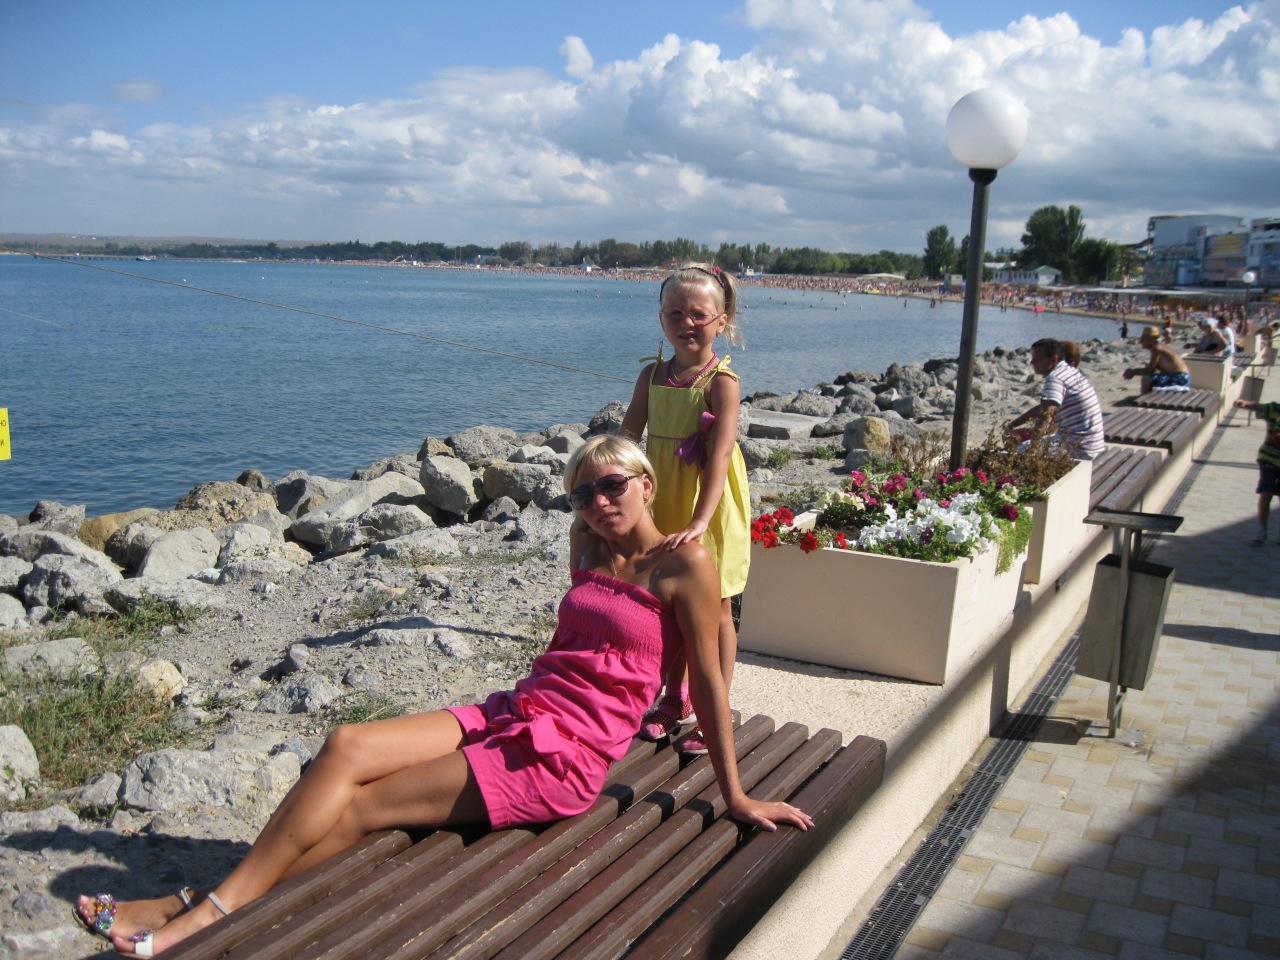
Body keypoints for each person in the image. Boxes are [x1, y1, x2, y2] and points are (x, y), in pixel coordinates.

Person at [77, 435, 811, 956]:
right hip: (517, 708)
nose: (597, 502)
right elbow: (581, 646)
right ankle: (203, 904)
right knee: (346, 746)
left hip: (563, 756)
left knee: (363, 806)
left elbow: (708, 680)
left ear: (646, 483)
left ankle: (203, 912)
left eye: (612, 485)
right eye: (582, 493)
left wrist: (736, 795)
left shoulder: (686, 564)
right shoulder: (587, 544)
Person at [620, 263, 750, 755]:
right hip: (663, 498)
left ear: (721, 321)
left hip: (709, 504)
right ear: (661, 319)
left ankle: (715, 707)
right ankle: (674, 697)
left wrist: (700, 522)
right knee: (669, 603)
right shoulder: (652, 376)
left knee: (717, 610)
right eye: (675, 313)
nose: (686, 323)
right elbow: (628, 439)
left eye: (699, 314)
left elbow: (720, 455)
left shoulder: (722, 382)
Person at [1004, 338, 1106, 460]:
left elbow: (1046, 415)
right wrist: (1013, 424)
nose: (1032, 362)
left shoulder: (1055, 378)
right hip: (1093, 445)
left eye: (1038, 358)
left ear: (1054, 359)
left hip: (1080, 449)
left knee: (1019, 452)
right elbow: (1044, 407)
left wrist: (1033, 446)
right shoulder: (1069, 372)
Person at [1233, 397, 1280, 544]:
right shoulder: (1275, 409)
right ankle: (1262, 528)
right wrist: (1245, 404)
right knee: (1266, 492)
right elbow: (1260, 407)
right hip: (1268, 458)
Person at [1123, 326, 1191, 393]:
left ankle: (1144, 398)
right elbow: (1154, 370)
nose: (1141, 341)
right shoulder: (1159, 347)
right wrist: (1133, 372)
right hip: (1182, 378)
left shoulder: (1156, 348)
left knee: (1146, 378)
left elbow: (1149, 370)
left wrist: (1133, 372)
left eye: (1143, 338)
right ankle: (1147, 397)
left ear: (1152, 339)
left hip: (1179, 378)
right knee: (1152, 375)